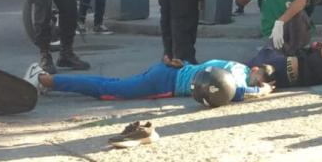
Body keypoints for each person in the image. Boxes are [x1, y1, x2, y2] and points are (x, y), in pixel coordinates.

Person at [23, 58, 275, 101]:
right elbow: (235, 91)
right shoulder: (240, 74)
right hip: (165, 83)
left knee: (110, 84)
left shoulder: (234, 64)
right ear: (254, 70)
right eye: (257, 78)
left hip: (167, 71)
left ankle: (48, 79)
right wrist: (260, 92)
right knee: (107, 91)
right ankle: (45, 79)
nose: (254, 81)